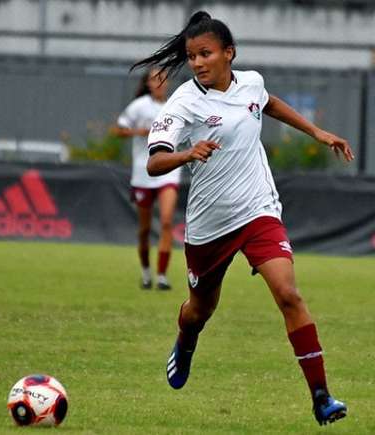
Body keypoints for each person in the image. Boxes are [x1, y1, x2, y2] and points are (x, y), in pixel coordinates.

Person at [133, 11, 355, 426]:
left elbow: (267, 103)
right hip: (208, 224)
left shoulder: (251, 82)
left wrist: (317, 132)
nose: (197, 62)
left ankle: (321, 396)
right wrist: (187, 153)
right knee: (200, 309)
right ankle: (185, 342)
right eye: (191, 56)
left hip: (258, 211)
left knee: (288, 294)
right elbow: (155, 163)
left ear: (228, 53)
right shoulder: (184, 101)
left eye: (205, 53)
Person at [113, 68, 181, 290]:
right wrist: (139, 132)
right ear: (148, 83)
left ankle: (162, 275)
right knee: (143, 230)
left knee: (167, 221)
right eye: (154, 79)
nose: (159, 83)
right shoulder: (139, 105)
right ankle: (145, 272)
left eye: (163, 79)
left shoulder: (175, 106)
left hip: (168, 171)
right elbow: (118, 129)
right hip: (143, 173)